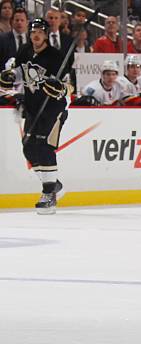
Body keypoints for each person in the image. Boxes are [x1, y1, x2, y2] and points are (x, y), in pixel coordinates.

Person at [0, 18, 68, 214]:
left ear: (46, 34)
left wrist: (60, 88)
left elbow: (68, 85)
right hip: (32, 108)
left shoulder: (56, 56)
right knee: (29, 149)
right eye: (32, 31)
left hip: (54, 109)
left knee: (44, 147)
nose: (35, 35)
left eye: (39, 31)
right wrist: (11, 76)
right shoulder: (24, 51)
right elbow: (20, 73)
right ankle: (53, 185)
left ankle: (48, 194)